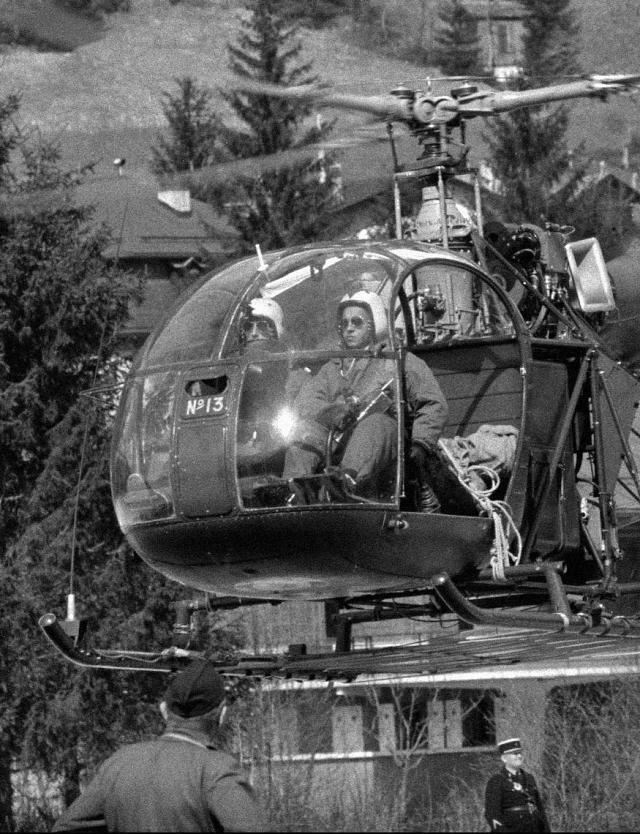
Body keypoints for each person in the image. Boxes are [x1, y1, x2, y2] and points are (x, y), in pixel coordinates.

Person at [53, 660, 266, 832]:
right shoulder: (216, 770)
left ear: (164, 710)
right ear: (222, 715)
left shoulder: (119, 764)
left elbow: (66, 827)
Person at [282, 290, 448, 507]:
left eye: (357, 322)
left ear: (374, 324)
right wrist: (334, 411)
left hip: (386, 442)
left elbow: (433, 404)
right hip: (339, 440)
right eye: (344, 323)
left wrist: (421, 442)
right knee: (305, 430)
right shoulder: (332, 369)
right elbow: (305, 403)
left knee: (376, 423)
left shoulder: (399, 361)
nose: (349, 328)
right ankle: (291, 490)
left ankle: (344, 485)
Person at [484, 738, 550, 833]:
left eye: (520, 753)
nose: (519, 756)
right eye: (515, 754)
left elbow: (540, 808)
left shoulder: (529, 778)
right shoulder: (497, 780)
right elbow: (492, 813)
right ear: (504, 758)